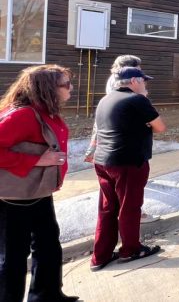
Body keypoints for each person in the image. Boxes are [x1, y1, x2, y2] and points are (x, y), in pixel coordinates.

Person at [0, 65, 79, 302]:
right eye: (66, 84)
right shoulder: (23, 115)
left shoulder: (44, 111)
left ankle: (47, 295)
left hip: (39, 192)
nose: (71, 88)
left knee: (48, 247)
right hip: (14, 198)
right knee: (13, 256)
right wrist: (37, 160)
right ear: (47, 89)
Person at [90, 67, 166, 271]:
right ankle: (131, 249)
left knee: (107, 209)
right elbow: (160, 127)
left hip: (103, 161)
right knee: (129, 207)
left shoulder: (105, 99)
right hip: (128, 162)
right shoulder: (137, 100)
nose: (145, 85)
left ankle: (101, 255)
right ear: (134, 80)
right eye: (143, 81)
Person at [86, 54, 158, 224]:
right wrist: (143, 100)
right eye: (139, 71)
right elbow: (155, 123)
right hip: (121, 143)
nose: (141, 75)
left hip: (108, 137)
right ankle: (131, 237)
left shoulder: (116, 80)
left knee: (111, 194)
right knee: (127, 193)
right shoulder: (121, 84)